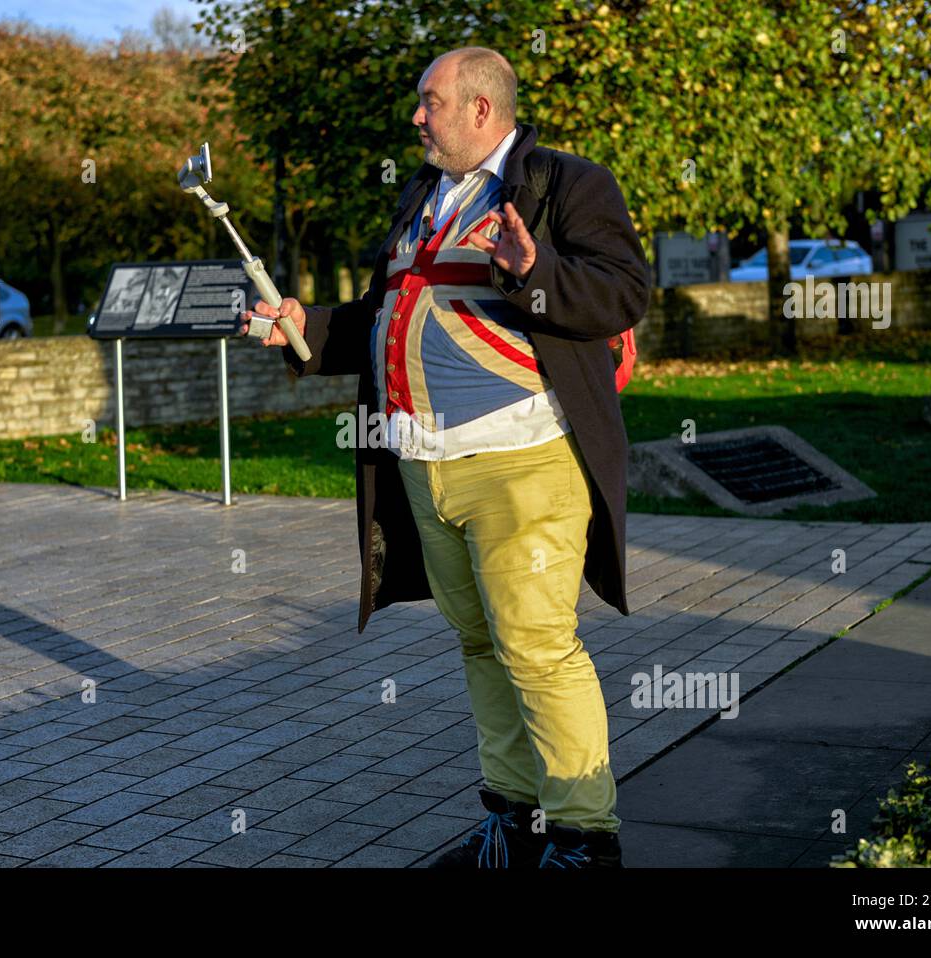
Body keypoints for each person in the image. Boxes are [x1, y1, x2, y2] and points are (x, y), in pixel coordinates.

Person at [241, 46, 650, 869]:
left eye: (430, 103)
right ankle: (515, 821)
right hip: (426, 463)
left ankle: (583, 839)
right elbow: (386, 311)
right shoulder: (423, 194)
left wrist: (539, 273)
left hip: (525, 457)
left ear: (481, 111)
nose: (417, 118)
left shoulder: (566, 183)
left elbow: (621, 290)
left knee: (537, 646)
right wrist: (300, 326)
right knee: (479, 642)